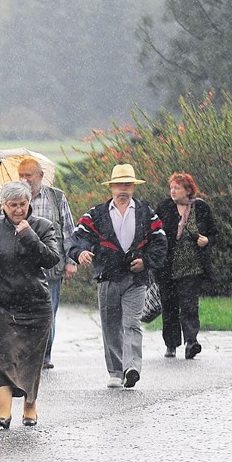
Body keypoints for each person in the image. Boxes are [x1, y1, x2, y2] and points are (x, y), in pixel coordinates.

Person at [70, 163, 167, 389]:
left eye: (128, 184)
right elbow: (78, 237)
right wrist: (81, 252)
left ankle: (132, 367)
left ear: (133, 187)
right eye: (119, 184)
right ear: (111, 187)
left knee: (132, 323)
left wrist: (146, 262)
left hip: (136, 280)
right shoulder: (96, 213)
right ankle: (115, 371)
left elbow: (160, 242)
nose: (123, 188)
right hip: (107, 277)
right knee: (111, 325)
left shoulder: (146, 212)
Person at [0, 181, 59, 429]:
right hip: (1, 302)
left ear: (29, 203)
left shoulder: (43, 226)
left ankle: (30, 405)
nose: (18, 209)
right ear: (3, 205)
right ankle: (3, 411)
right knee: (2, 358)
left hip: (35, 303)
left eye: (22, 204)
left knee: (30, 359)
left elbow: (50, 259)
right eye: (12, 205)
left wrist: (29, 235)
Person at [18, 157, 77, 370]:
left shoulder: (56, 197)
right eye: (21, 175)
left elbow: (68, 230)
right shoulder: (15, 199)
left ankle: (44, 355)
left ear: (41, 176)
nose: (24, 179)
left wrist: (71, 261)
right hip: (22, 268)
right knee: (24, 311)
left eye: (29, 175)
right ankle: (26, 353)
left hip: (51, 266)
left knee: (48, 311)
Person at [155, 172, 218, 359]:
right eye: (171, 187)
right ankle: (171, 344)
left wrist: (207, 240)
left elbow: (214, 233)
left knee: (189, 305)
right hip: (167, 266)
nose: (173, 191)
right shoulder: (164, 207)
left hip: (193, 267)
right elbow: (154, 235)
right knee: (169, 305)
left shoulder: (201, 208)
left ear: (188, 190)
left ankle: (191, 341)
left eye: (177, 188)